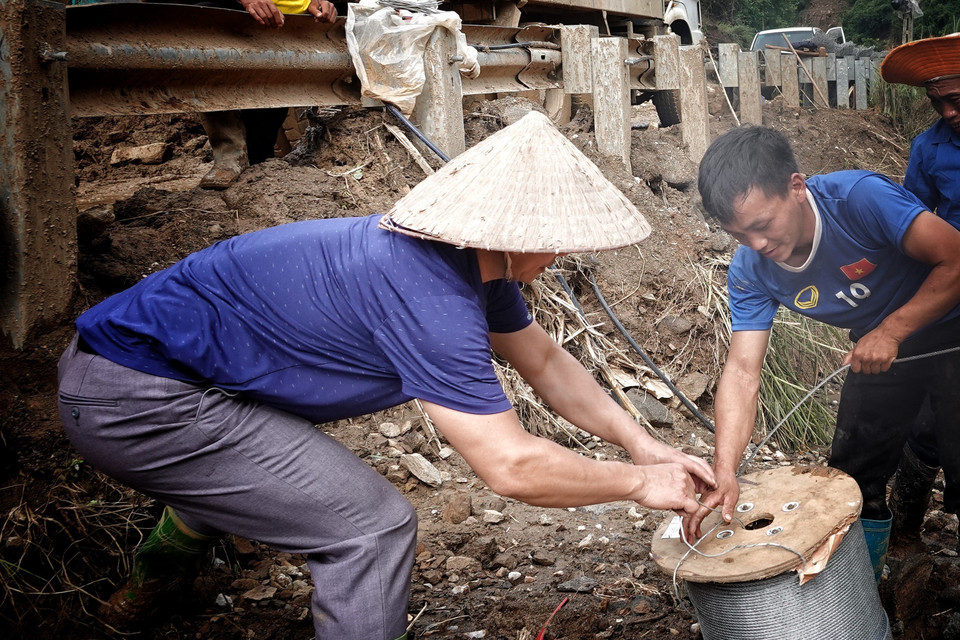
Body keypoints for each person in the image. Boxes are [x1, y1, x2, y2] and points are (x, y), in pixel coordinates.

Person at [58, 111, 715, 639]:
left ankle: (151, 586)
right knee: (371, 529)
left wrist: (642, 443)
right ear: (514, 230)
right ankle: (162, 578)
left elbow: (542, 359)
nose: (566, 248)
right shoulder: (429, 293)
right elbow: (510, 466)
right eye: (558, 234)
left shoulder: (472, 264)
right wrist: (638, 483)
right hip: (134, 397)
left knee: (271, 458)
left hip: (181, 381)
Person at [684, 125, 960, 582]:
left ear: (796, 187)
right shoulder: (751, 269)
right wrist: (725, 468)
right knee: (850, 481)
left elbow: (955, 258)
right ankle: (861, 596)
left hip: (950, 329)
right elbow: (741, 372)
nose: (756, 246)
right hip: (876, 351)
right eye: (738, 234)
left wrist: (892, 331)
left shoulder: (859, 199)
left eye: (761, 225)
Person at [879, 33, 960, 546]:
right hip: (951, 295)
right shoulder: (929, 148)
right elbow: (910, 221)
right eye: (938, 103)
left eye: (958, 101)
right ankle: (904, 534)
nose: (948, 112)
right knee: (931, 418)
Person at [194, 0, 338, 189]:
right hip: (231, 12)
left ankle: (257, 166)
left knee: (261, 141)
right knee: (205, 22)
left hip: (286, 21)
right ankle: (229, 154)